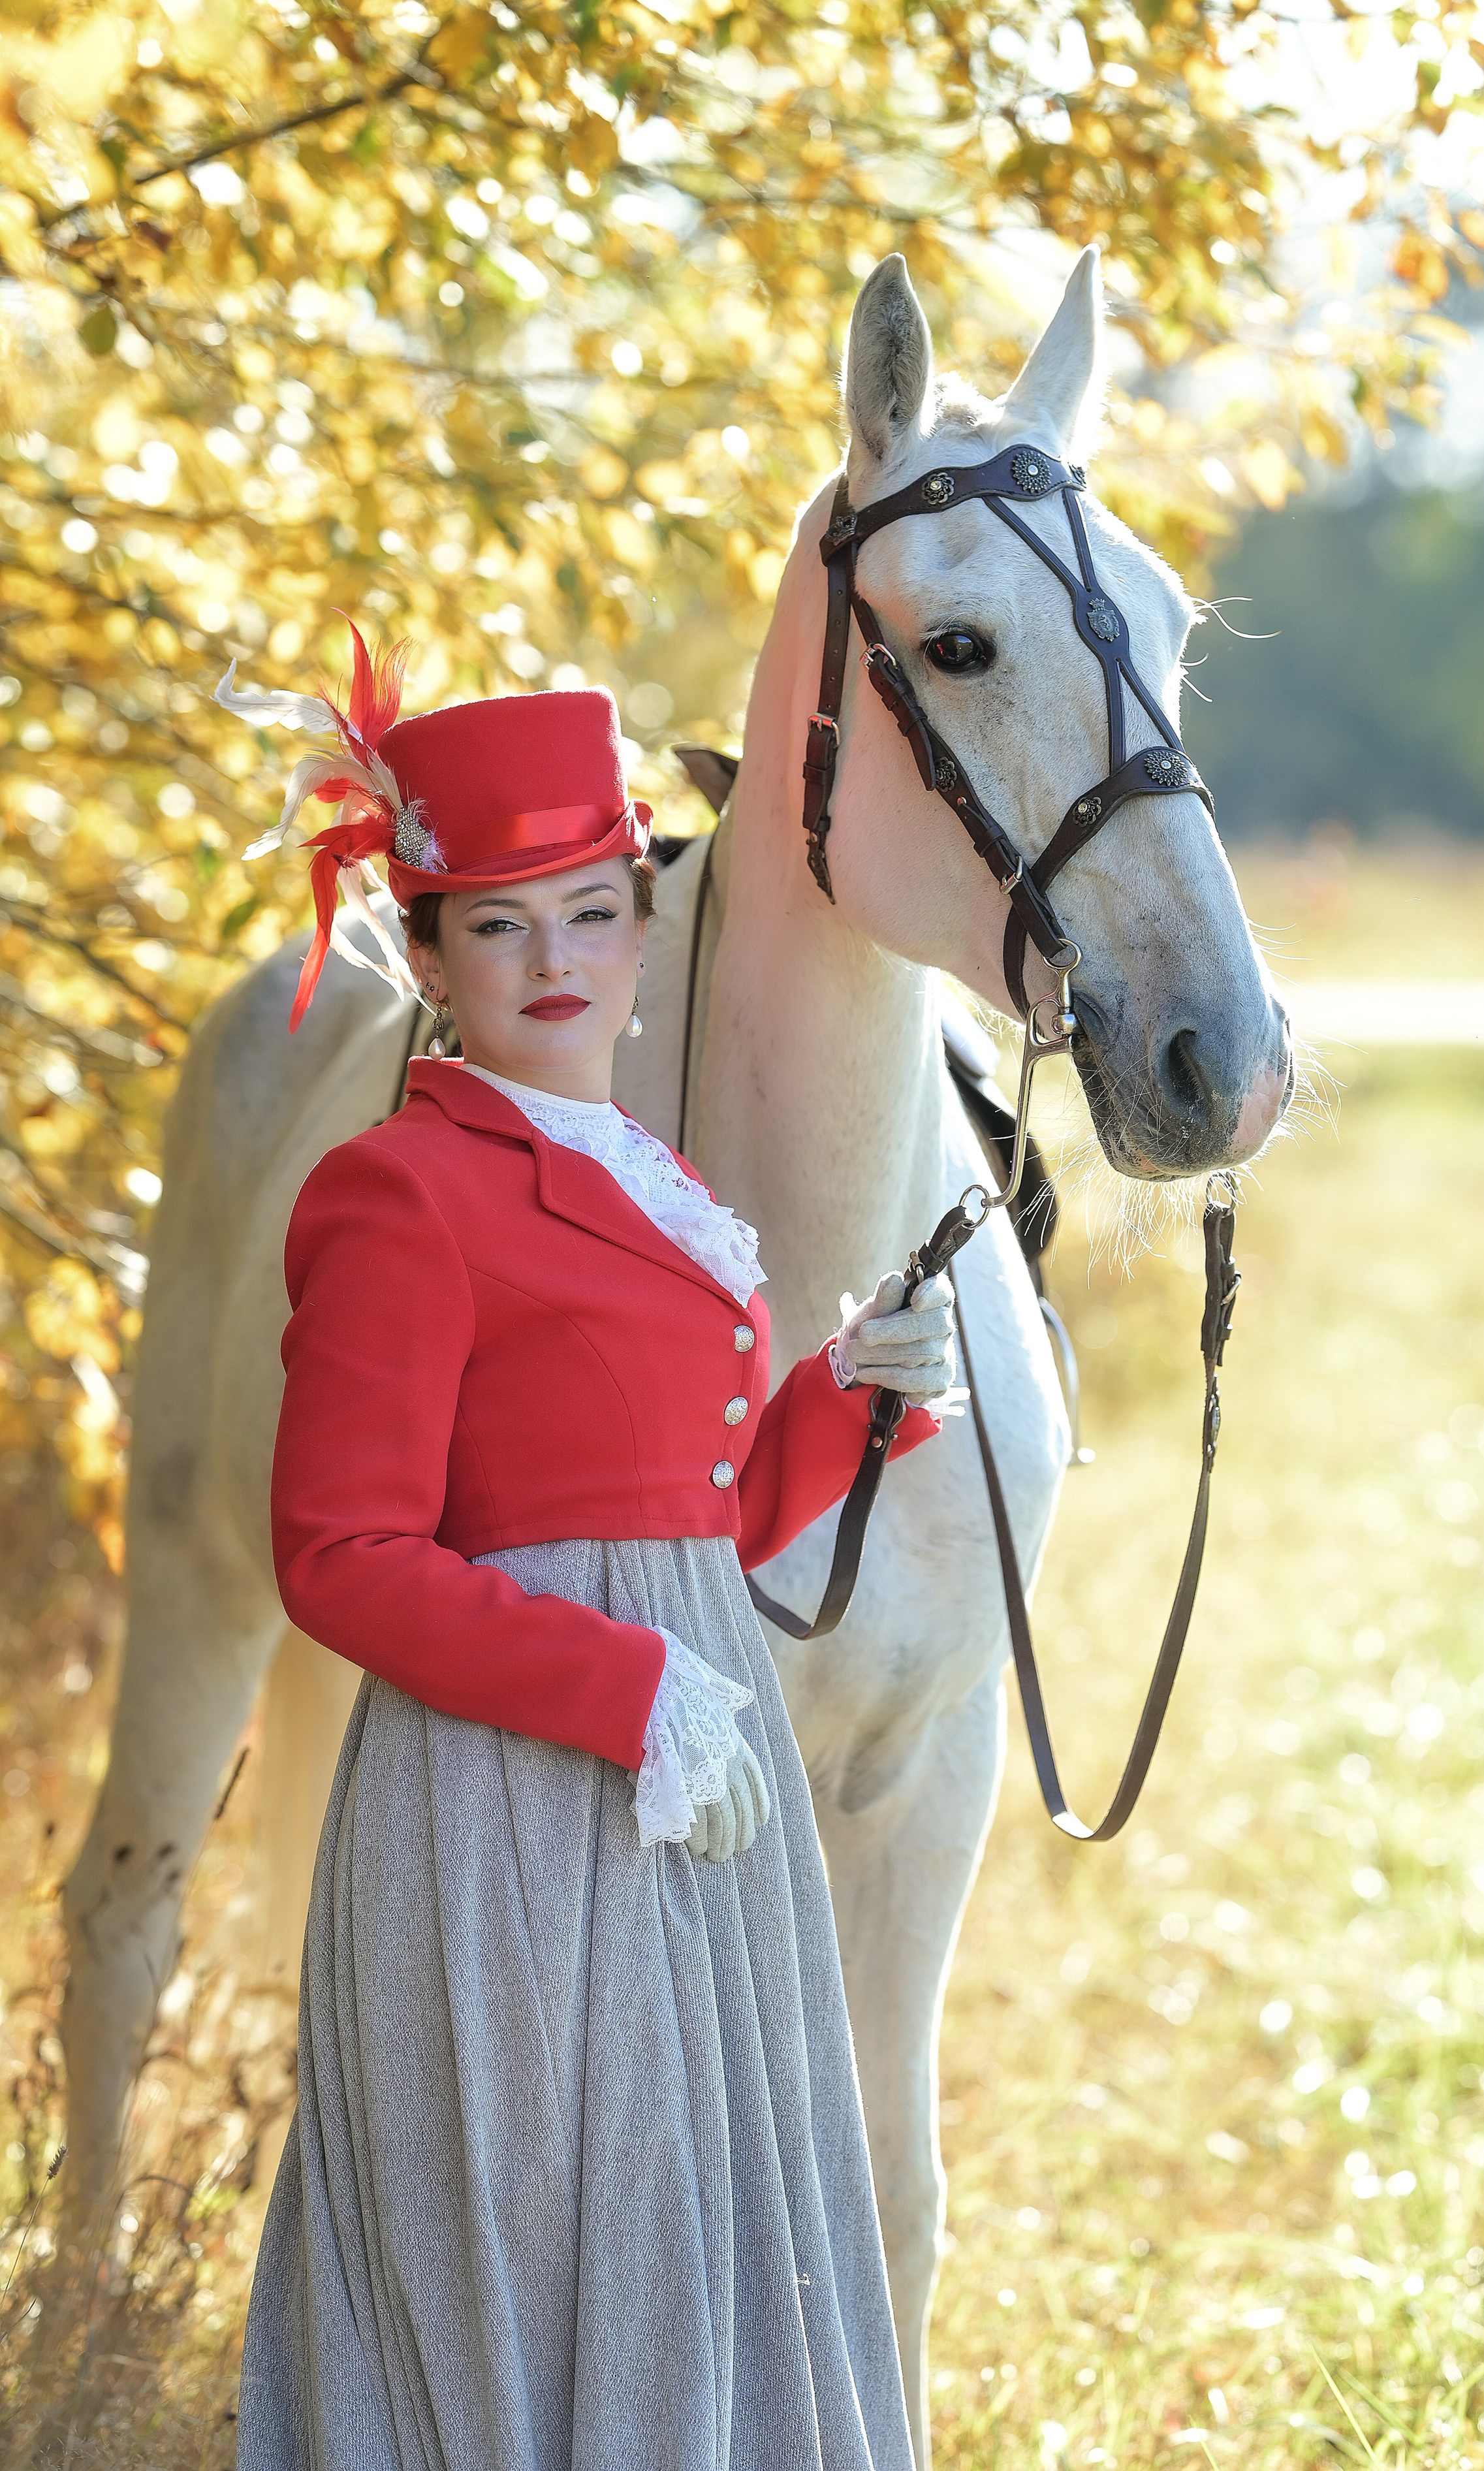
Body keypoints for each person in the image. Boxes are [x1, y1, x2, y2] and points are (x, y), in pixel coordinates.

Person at [223, 635, 956, 2469]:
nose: (554, 962)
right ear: (428, 950)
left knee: (693, 2229)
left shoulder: (643, 1165)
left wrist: (849, 1405)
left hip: (690, 1786)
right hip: (510, 1809)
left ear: (645, 918)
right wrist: (629, 1693)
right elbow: (342, 1555)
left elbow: (684, 1516)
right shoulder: (399, 1187)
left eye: (590, 911)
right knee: (543, 2254)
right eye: (498, 925)